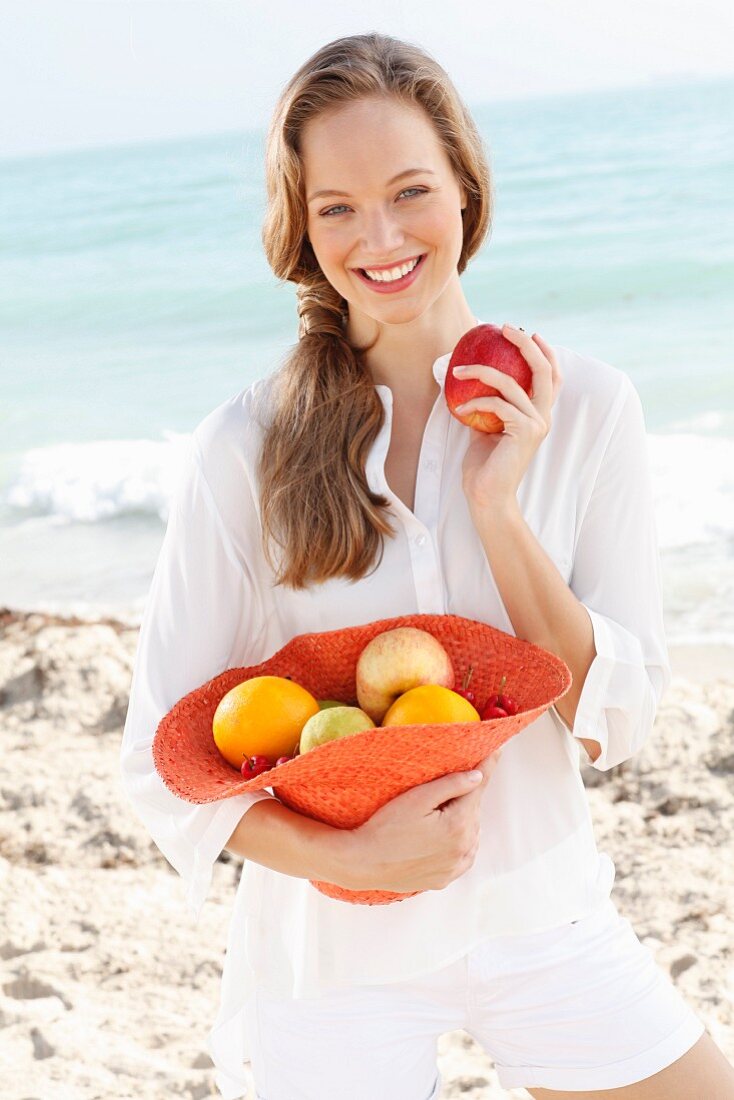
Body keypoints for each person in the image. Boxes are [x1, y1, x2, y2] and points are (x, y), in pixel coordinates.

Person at [119, 31, 734, 1100]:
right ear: (301, 228)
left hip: (542, 911)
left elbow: (611, 720)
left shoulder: (585, 405)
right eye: (337, 207)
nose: (382, 236)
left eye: (410, 191)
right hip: (332, 956)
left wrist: (498, 501)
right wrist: (349, 860)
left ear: (465, 189)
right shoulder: (245, 445)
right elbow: (159, 758)